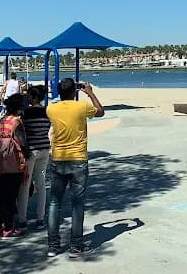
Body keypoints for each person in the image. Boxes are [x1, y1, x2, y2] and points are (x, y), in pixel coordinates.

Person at [46, 79, 103, 259]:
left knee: (55, 202)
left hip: (58, 159)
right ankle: (76, 245)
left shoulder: (51, 109)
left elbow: (57, 105)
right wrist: (90, 93)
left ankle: (53, 245)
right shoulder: (81, 107)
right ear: (75, 91)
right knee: (77, 204)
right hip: (78, 160)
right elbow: (100, 112)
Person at [0, 93, 28, 238]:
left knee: (1, 194)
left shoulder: (2, 120)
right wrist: (26, 154)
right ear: (19, 107)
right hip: (14, 161)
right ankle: (9, 227)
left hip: (1, 159)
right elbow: (22, 142)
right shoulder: (17, 122)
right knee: (10, 195)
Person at [17, 85, 50, 233]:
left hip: (31, 151)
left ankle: (22, 220)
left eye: (29, 96)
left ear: (34, 97)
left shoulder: (26, 113)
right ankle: (40, 219)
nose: (27, 98)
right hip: (44, 149)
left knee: (25, 185)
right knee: (41, 185)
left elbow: (22, 130)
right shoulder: (47, 112)